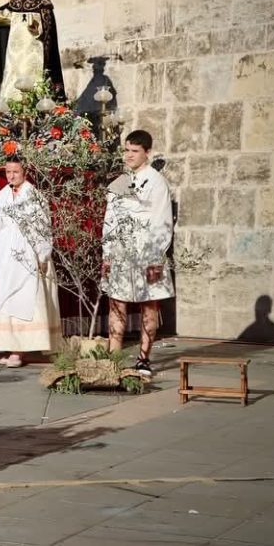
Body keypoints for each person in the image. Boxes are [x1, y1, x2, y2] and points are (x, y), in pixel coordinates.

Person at [0, 156, 62, 367]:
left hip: (26, 252)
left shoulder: (34, 196)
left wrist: (42, 255)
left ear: (24, 172)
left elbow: (43, 227)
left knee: (22, 299)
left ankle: (19, 351)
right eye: (8, 172)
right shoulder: (1, 196)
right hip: (1, 253)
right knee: (2, 301)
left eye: (15, 172)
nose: (11, 176)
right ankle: (9, 346)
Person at [102, 130, 174, 376]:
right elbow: (109, 221)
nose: (129, 155)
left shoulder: (157, 182)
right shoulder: (119, 183)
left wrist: (156, 258)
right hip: (121, 253)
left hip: (147, 253)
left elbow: (163, 221)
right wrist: (107, 254)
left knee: (149, 305)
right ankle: (113, 360)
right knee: (116, 304)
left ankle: (144, 359)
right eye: (127, 150)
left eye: (135, 151)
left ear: (147, 152)